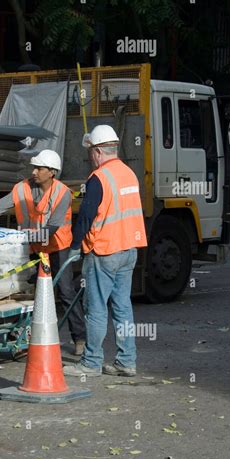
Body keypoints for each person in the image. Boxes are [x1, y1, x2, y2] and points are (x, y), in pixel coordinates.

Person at [63, 125, 147, 378]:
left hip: (104, 251)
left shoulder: (99, 178)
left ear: (99, 151)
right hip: (129, 249)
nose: (90, 157)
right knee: (123, 307)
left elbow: (86, 216)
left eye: (90, 151)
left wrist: (75, 246)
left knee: (96, 307)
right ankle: (127, 361)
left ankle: (91, 361)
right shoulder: (129, 174)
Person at [0, 149, 86, 355]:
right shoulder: (21, 189)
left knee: (66, 291)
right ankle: (25, 337)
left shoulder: (62, 193)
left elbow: (53, 227)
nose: (34, 171)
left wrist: (18, 237)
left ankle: (80, 338)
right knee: (26, 292)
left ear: (52, 172)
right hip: (32, 248)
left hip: (58, 247)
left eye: (39, 168)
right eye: (34, 167)